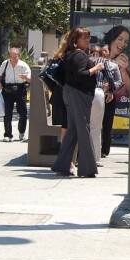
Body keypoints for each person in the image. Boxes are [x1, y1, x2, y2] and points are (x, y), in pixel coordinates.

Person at [51, 27, 103, 178]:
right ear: (75, 41)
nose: (87, 40)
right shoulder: (79, 55)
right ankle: (87, 168)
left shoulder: (71, 54)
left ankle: (62, 165)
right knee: (83, 129)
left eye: (88, 37)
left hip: (71, 93)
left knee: (73, 130)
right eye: (84, 38)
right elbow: (82, 74)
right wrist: (96, 67)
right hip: (78, 94)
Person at [101, 26, 130, 158]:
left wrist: (123, 70)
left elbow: (129, 88)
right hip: (96, 96)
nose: (122, 44)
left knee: (107, 123)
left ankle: (104, 149)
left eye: (125, 41)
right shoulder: (98, 55)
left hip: (111, 98)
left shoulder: (124, 60)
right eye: (120, 39)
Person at [0, 46, 31, 142]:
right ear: (9, 56)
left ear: (19, 56)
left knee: (23, 113)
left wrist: (26, 78)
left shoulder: (23, 65)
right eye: (12, 57)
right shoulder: (5, 63)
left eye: (16, 57)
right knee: (7, 113)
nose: (14, 59)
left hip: (20, 90)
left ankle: (21, 132)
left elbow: (31, 78)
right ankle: (8, 134)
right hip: (8, 90)